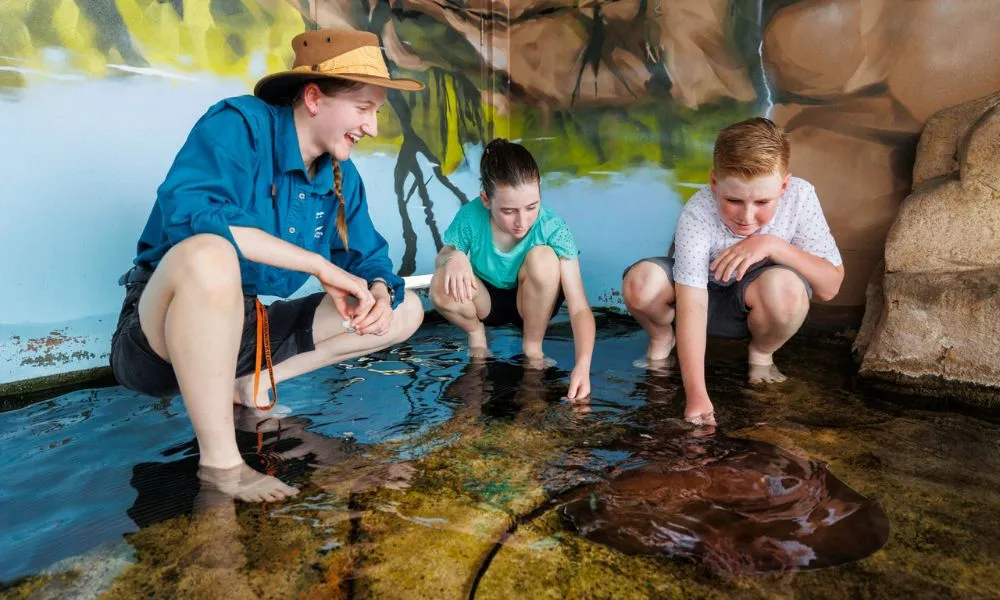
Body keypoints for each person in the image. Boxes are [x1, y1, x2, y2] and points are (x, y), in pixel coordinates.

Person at [109, 28, 425, 503]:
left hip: (242, 335)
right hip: (156, 342)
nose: (373, 127)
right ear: (314, 98)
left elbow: (371, 259)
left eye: (376, 112)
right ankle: (221, 465)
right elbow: (189, 216)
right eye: (364, 109)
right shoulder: (237, 125)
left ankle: (243, 385)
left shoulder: (344, 178)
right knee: (209, 252)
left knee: (407, 311)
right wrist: (317, 264)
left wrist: (379, 290)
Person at [622, 117, 844, 426]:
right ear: (714, 184)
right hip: (702, 298)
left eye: (763, 201)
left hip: (752, 301)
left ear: (784, 185)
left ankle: (762, 353)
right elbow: (693, 304)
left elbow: (830, 287)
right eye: (733, 200)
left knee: (787, 291)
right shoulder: (698, 211)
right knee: (640, 284)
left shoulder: (801, 198)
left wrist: (772, 245)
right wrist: (696, 395)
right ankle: (661, 338)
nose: (746, 216)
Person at [430, 139, 595, 400]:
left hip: (532, 304)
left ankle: (533, 348)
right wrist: (454, 256)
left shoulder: (553, 227)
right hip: (485, 301)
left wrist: (583, 366)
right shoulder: (471, 216)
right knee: (441, 280)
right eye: (508, 211)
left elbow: (579, 308)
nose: (522, 222)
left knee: (543, 258)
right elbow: (441, 260)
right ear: (486, 200)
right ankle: (476, 336)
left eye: (531, 207)